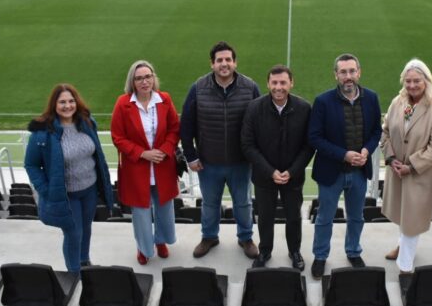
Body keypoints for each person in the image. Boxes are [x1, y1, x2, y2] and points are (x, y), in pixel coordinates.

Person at [180, 41, 261, 259]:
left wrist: (256, 156)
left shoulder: (250, 86)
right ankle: (209, 237)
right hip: (208, 162)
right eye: (219, 60)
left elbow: (260, 123)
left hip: (241, 162)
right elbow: (186, 124)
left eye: (228, 60)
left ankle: (246, 238)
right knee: (209, 204)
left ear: (234, 62)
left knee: (243, 203)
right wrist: (191, 156)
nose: (224, 64)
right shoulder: (198, 87)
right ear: (212, 64)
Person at [24, 84, 113, 273]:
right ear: (54, 105)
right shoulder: (42, 132)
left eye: (71, 101)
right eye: (62, 102)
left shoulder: (87, 123)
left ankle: (84, 262)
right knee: (74, 233)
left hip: (89, 189)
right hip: (67, 195)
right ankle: (75, 273)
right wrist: (46, 189)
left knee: (86, 228)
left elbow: (96, 155)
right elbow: (31, 165)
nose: (67, 106)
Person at [309, 53, 382, 279]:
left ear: (359, 72)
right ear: (336, 75)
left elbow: (376, 131)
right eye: (343, 72)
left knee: (356, 216)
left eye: (352, 71)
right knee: (324, 218)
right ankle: (320, 256)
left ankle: (353, 251)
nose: (348, 76)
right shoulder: (323, 102)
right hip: (332, 173)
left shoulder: (371, 98)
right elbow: (315, 137)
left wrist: (366, 151)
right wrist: (344, 155)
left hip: (359, 172)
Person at [241, 65, 314, 270]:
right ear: (268, 84)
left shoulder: (304, 108)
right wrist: (270, 171)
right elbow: (248, 145)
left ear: (291, 83)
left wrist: (292, 171)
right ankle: (265, 251)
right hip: (265, 177)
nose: (278, 87)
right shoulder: (254, 108)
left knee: (293, 217)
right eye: (274, 83)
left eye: (283, 82)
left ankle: (295, 251)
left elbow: (308, 146)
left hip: (293, 176)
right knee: (265, 217)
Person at [381, 59, 432, 274]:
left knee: (412, 218)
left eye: (417, 81)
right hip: (396, 170)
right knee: (403, 214)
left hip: (418, 174)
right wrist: (391, 159)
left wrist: (410, 166)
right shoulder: (397, 103)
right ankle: (402, 245)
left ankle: (405, 265)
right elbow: (384, 132)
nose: (412, 85)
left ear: (426, 81)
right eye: (408, 81)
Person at [111, 60, 180, 265]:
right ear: (132, 81)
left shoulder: (165, 99)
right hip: (137, 168)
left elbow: (174, 130)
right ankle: (143, 247)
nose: (144, 81)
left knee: (164, 207)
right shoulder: (123, 104)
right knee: (140, 213)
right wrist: (142, 154)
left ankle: (160, 241)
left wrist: (164, 150)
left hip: (162, 165)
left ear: (153, 78)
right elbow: (118, 137)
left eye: (148, 77)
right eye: (139, 78)